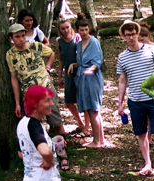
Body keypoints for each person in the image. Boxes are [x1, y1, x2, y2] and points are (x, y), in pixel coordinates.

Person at [116, 20, 154, 176]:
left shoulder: (152, 50)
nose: (131, 37)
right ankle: (148, 164)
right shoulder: (122, 57)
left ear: (138, 34)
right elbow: (122, 81)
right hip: (135, 100)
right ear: (123, 37)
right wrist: (119, 103)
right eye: (127, 35)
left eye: (133, 34)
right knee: (141, 133)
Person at [6, 23, 66, 136]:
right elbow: (13, 77)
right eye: (17, 37)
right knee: (32, 124)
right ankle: (39, 149)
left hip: (45, 87)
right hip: (29, 93)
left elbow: (51, 53)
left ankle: (61, 149)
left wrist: (47, 68)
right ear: (11, 38)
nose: (21, 39)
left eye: (23, 36)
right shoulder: (10, 55)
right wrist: (17, 103)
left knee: (56, 120)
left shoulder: (36, 46)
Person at [70, 17, 110, 148]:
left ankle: (97, 141)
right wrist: (74, 64)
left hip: (92, 78)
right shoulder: (78, 44)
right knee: (90, 109)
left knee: (93, 108)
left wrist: (91, 69)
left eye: (86, 29)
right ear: (77, 31)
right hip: (82, 78)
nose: (84, 32)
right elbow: (81, 61)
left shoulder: (93, 42)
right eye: (81, 30)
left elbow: (97, 60)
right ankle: (100, 139)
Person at [55, 18, 86, 135]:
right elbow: (61, 59)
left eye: (67, 27)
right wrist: (59, 75)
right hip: (68, 73)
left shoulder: (78, 38)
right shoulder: (59, 41)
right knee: (68, 103)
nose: (66, 30)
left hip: (80, 72)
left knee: (83, 100)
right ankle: (80, 123)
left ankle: (87, 127)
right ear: (59, 30)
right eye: (63, 28)